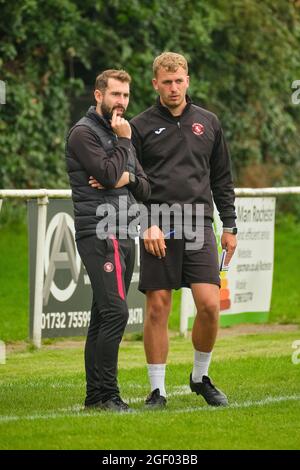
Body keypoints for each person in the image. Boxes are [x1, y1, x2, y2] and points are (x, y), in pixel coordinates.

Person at [130, 52, 237, 408]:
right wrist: (147, 224)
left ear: (187, 80)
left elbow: (222, 178)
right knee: (158, 308)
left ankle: (199, 376)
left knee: (209, 305)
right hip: (158, 226)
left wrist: (230, 225)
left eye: (179, 81)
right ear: (155, 84)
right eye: (166, 82)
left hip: (199, 226)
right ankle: (157, 390)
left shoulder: (208, 122)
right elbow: (133, 184)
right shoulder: (140, 126)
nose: (173, 88)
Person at [65, 69, 151, 412]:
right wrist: (123, 147)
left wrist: (124, 175)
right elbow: (107, 174)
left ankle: (95, 398)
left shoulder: (120, 132)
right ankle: (108, 395)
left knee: (103, 315)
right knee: (116, 313)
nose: (121, 103)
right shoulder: (83, 134)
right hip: (101, 231)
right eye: (115, 95)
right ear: (98, 95)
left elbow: (145, 186)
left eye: (126, 96)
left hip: (124, 230)